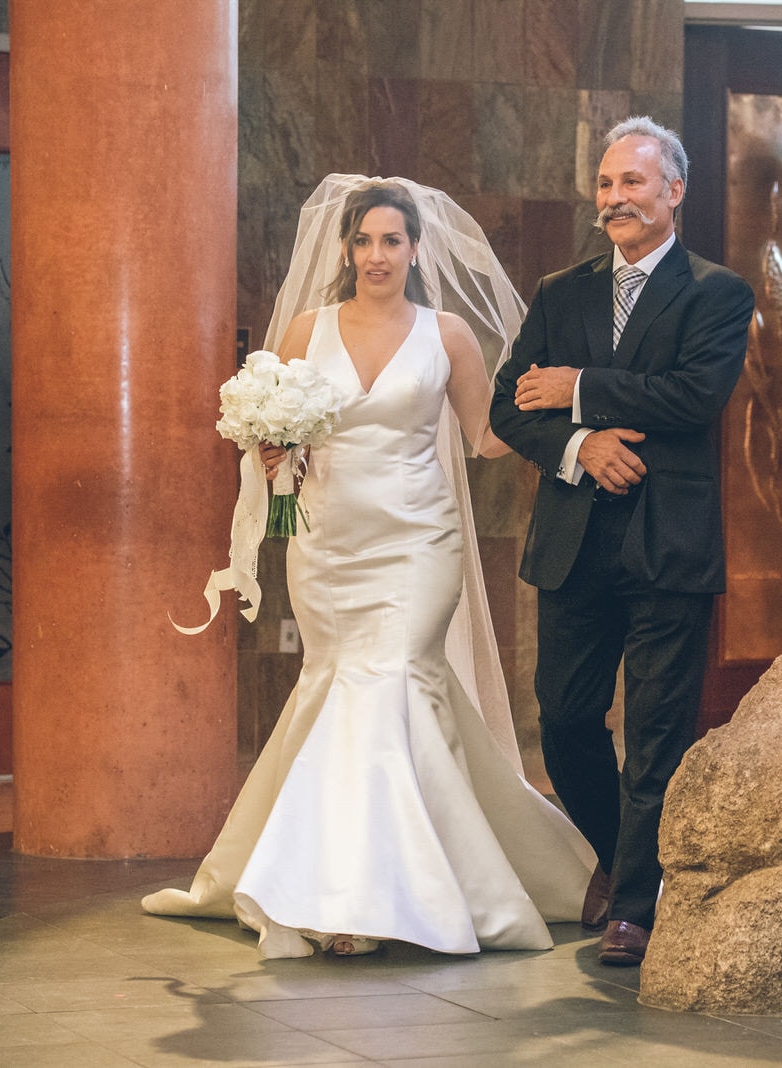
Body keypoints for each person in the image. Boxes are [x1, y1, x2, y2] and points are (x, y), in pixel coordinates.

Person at [145, 176, 595, 958]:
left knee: (391, 682)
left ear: (416, 249)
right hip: (327, 546)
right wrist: (275, 469)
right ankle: (338, 889)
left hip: (421, 545)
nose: (377, 255)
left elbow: (486, 437)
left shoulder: (446, 334)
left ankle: (376, 897)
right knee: (342, 692)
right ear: (346, 249)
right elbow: (275, 450)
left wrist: (563, 406)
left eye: (392, 240)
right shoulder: (304, 332)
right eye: (364, 241)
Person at [489, 117, 754, 966]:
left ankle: (635, 906)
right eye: (606, 185)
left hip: (667, 544)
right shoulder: (560, 291)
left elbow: (692, 397)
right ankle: (617, 854)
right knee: (565, 718)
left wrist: (578, 387)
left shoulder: (717, 293)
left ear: (674, 192)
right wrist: (581, 443)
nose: (615, 200)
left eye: (633, 184)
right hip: (574, 540)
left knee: (656, 733)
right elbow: (506, 407)